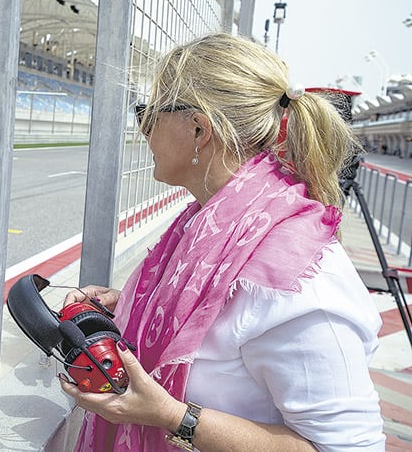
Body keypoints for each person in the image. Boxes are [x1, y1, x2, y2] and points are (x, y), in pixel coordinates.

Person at [58, 33, 385, 451]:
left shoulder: (296, 280)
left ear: (198, 128)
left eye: (148, 114)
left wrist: (171, 416)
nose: (143, 131)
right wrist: (135, 304)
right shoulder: (213, 229)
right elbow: (227, 324)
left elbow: (348, 447)